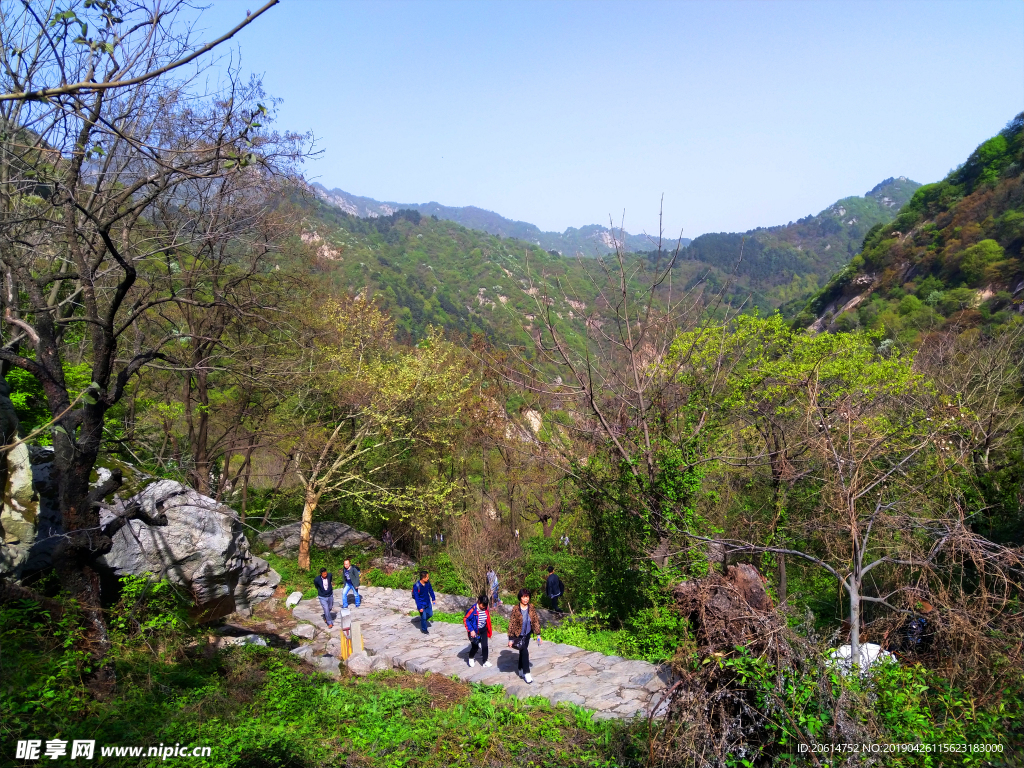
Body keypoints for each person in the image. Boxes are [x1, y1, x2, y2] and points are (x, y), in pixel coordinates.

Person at [507, 588, 542, 684]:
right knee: (525, 652)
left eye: (527, 597)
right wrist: (510, 638)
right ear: (520, 598)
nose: (525, 599)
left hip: (527, 634)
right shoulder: (516, 609)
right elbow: (512, 623)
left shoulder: (531, 607)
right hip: (518, 635)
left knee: (523, 652)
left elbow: (535, 621)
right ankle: (527, 673)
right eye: (523, 597)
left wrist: (538, 634)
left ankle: (520, 668)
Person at [463, 595, 493, 668]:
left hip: (483, 629)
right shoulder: (472, 610)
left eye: (485, 605)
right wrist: (471, 630)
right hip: (475, 631)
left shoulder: (486, 608)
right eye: (483, 605)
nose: (484, 607)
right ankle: (471, 657)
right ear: (479, 602)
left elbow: (487, 619)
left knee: (485, 646)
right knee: (475, 647)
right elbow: (466, 619)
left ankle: (485, 661)